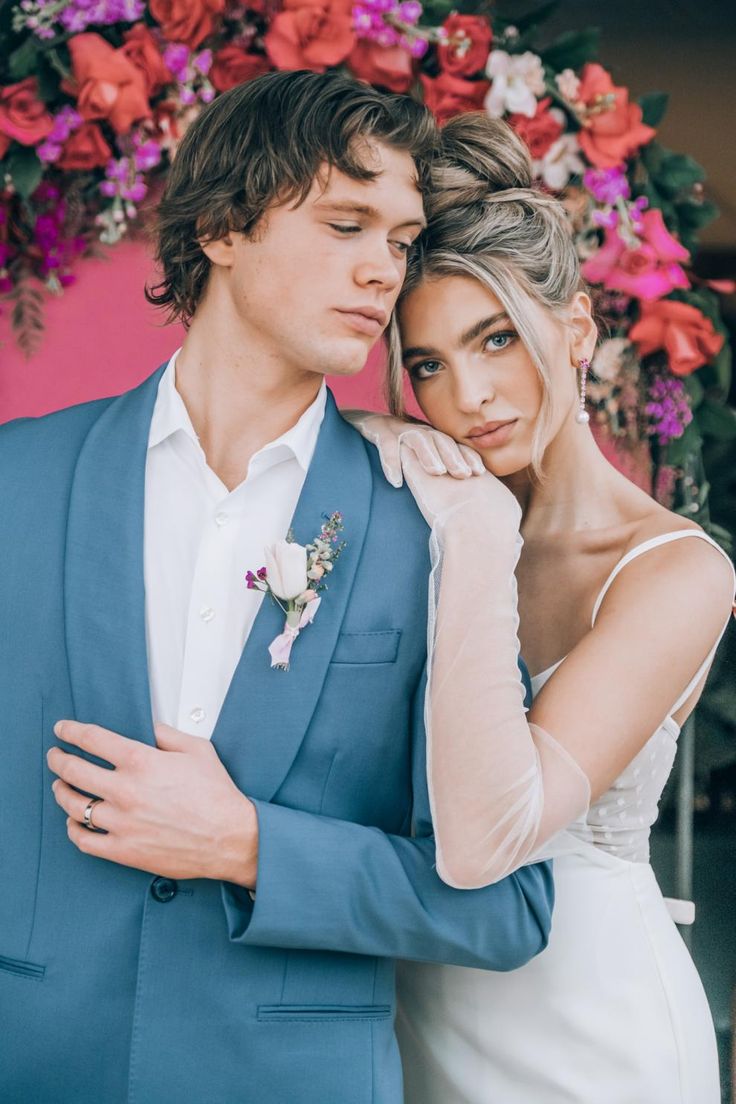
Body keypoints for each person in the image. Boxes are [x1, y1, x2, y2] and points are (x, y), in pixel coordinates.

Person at [0, 75, 554, 1104]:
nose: (383, 271)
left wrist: (253, 848)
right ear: (220, 225)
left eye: (399, 241)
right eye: (346, 223)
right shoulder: (13, 484)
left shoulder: (428, 527)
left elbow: (505, 905)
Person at [352, 113, 735, 1104]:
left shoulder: (674, 575)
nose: (467, 394)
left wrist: (471, 524)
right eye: (427, 362)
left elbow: (496, 830)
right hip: (417, 1016)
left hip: (595, 1038)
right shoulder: (414, 518)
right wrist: (343, 447)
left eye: (495, 339)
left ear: (572, 330)